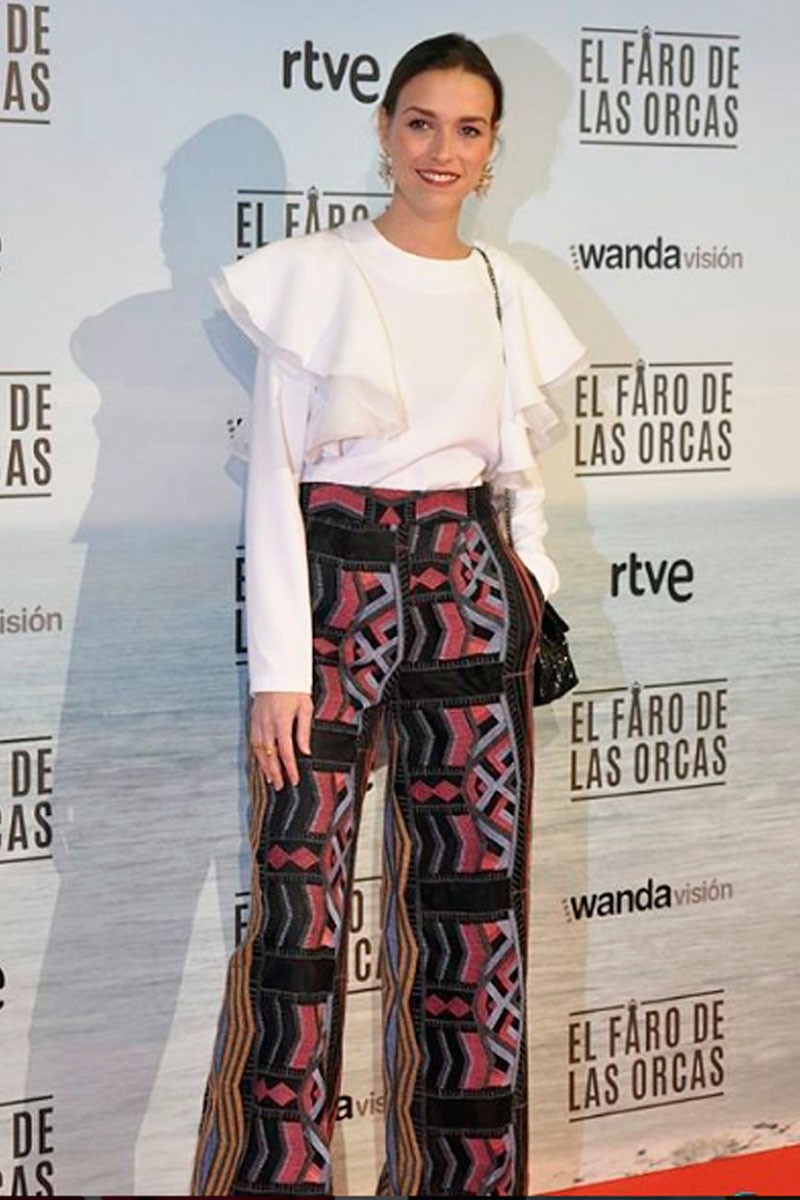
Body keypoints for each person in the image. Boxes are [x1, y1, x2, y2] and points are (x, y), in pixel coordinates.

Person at [191, 32, 585, 1199]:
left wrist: (528, 590)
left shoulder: (504, 287)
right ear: (382, 130)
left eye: (467, 129)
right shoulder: (315, 275)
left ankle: (467, 1183)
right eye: (419, 122)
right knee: (297, 914)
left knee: (476, 914)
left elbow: (515, 474)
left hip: (469, 591)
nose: (439, 150)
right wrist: (279, 666)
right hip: (336, 588)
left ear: (492, 147)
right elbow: (275, 477)